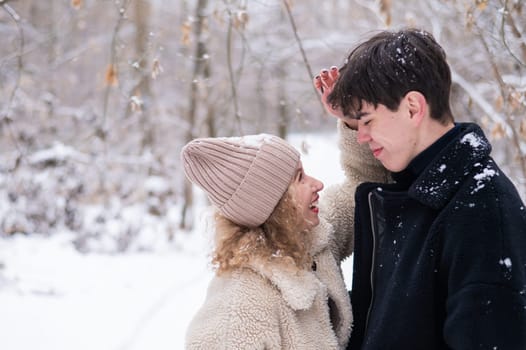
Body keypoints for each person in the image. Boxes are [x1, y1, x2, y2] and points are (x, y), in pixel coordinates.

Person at [314, 27, 526, 349]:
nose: (361, 135)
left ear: (413, 107)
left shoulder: (481, 211)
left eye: (367, 121)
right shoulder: (417, 188)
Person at [182, 134, 359, 349]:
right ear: (274, 205)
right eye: (300, 178)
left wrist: (355, 117)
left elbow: (359, 189)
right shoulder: (242, 305)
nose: (317, 184)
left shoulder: (311, 240)